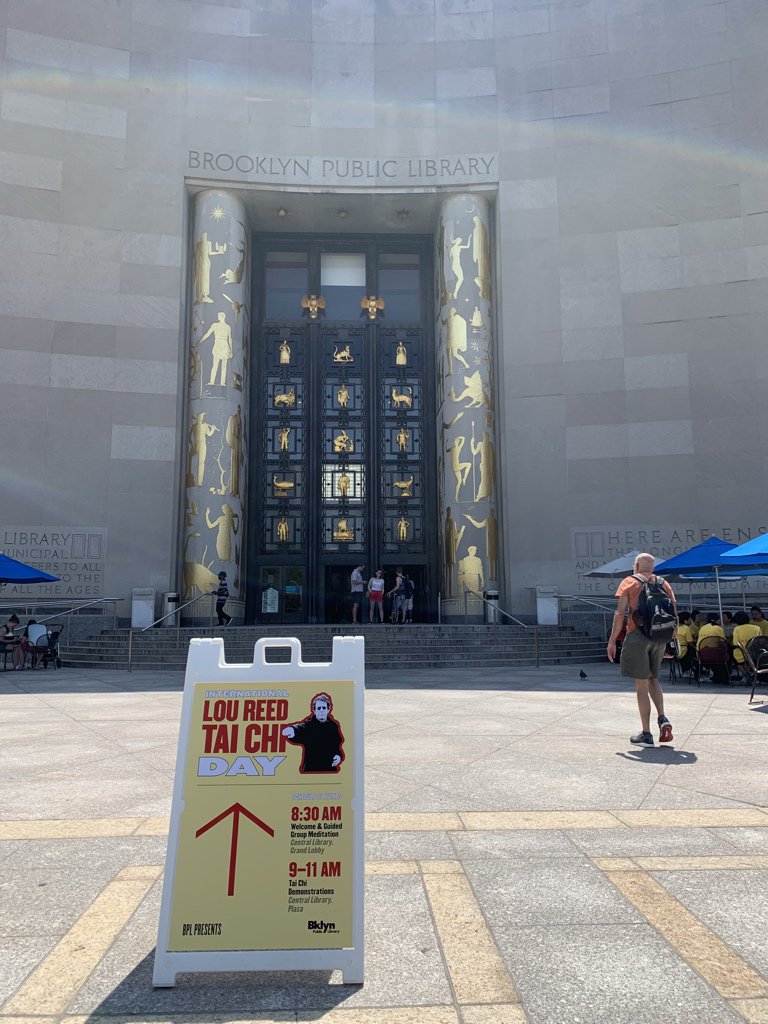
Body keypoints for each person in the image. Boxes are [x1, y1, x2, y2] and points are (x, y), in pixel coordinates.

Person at [607, 552, 675, 746]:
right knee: (653, 678)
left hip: (637, 635)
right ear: (652, 568)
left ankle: (646, 734)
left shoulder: (629, 582)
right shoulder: (663, 583)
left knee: (641, 686)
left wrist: (612, 640)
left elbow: (620, 613)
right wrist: (671, 640)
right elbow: (674, 611)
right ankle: (662, 718)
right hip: (660, 636)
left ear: (635, 566)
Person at [282, 692, 344, 773]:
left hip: (329, 770)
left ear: (328, 709)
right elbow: (301, 728)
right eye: (318, 708)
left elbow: (337, 747)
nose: (321, 710)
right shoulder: (309, 725)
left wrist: (338, 756)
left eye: (324, 708)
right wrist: (292, 729)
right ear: (314, 710)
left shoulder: (333, 726)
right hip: (311, 770)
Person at [732, 610, 761, 679]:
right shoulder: (757, 628)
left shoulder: (737, 629)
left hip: (741, 654)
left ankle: (745, 673)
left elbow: (735, 643)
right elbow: (760, 641)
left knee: (733, 657)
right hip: (754, 654)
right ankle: (749, 674)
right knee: (749, 660)